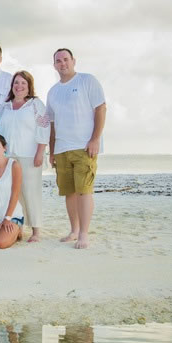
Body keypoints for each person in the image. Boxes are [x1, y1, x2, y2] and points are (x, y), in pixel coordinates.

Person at [46, 48, 106, 249]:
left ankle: (84, 234)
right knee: (69, 192)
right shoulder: (53, 92)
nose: (62, 63)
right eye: (58, 61)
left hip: (83, 146)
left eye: (65, 59)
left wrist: (95, 139)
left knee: (84, 191)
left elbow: (101, 108)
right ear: (54, 65)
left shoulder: (87, 81)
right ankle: (74, 230)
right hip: (62, 148)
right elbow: (52, 124)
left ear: (73, 61)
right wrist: (52, 150)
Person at [0, 70, 50, 242]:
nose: (19, 86)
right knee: (12, 193)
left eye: (23, 83)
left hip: (29, 156)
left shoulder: (35, 104)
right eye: (16, 83)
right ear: (12, 86)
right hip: (8, 157)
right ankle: (17, 227)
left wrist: (40, 152)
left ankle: (36, 230)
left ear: (29, 87)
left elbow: (44, 128)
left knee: (30, 191)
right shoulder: (5, 107)